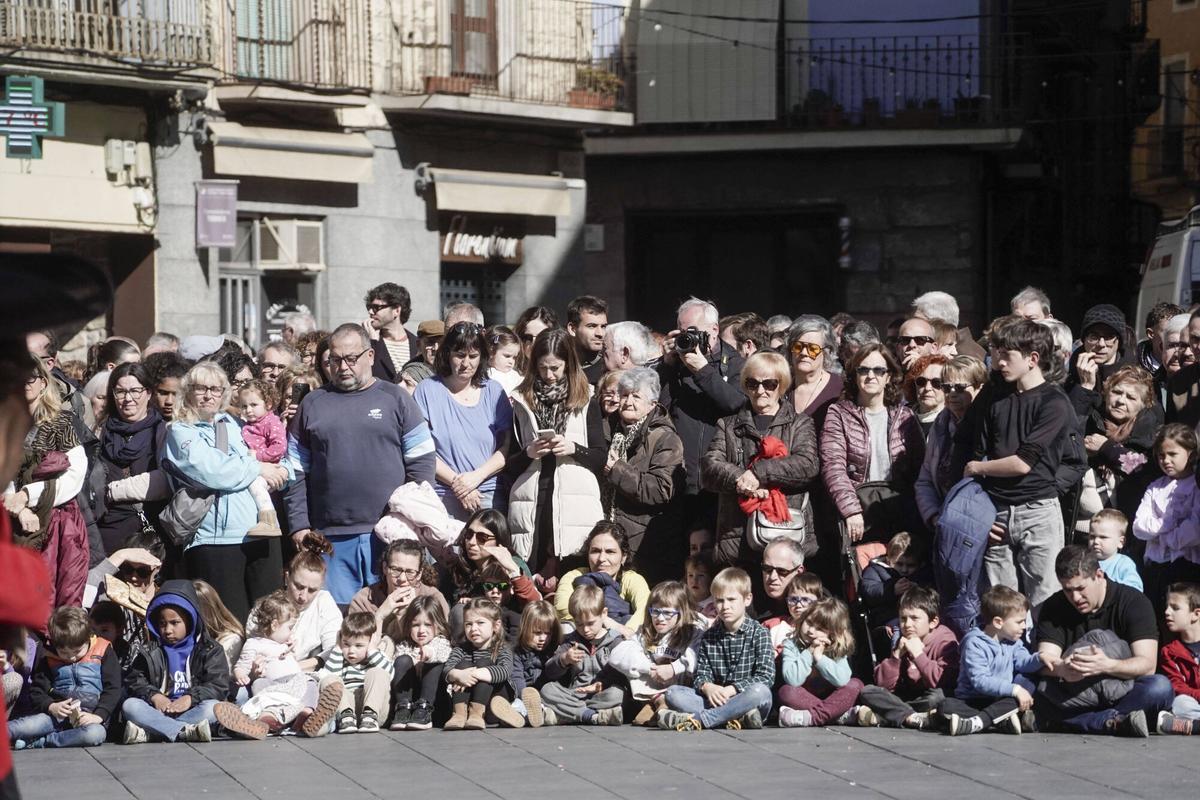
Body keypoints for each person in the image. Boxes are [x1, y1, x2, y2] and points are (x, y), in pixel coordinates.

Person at [286, 323, 435, 606]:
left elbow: (422, 464)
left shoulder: (396, 399)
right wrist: (299, 525)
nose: (342, 367)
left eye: (351, 358)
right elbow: (294, 470)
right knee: (339, 625)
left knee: (393, 617)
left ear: (370, 355)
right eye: (335, 359)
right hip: (329, 538)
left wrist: (410, 522)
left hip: (389, 533)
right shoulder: (313, 404)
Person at [160, 362, 288, 621]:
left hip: (262, 532)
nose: (209, 395)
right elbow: (213, 471)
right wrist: (259, 468)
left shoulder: (233, 423)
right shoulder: (179, 430)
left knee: (272, 623)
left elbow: (270, 453)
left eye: (216, 389)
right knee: (231, 625)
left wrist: (283, 472)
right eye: (201, 388)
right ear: (188, 391)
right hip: (217, 541)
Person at [964, 320, 1073, 611]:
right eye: (996, 353)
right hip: (996, 511)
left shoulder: (1055, 402)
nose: (998, 362)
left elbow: (1023, 463)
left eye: (1007, 355)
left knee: (1044, 603)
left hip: (1037, 512)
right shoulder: (994, 396)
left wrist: (977, 468)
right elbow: (977, 446)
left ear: (1032, 359)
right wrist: (981, 513)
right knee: (1000, 607)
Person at [1034, 546, 1172, 737]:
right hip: (1072, 692)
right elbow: (1044, 659)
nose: (1075, 597)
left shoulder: (1134, 602)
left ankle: (1071, 720)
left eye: (1081, 588)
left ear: (1099, 575)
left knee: (1159, 687)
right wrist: (1061, 668)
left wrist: (1106, 665)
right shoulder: (1054, 606)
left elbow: (1147, 665)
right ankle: (1112, 722)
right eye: (1068, 590)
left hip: (1121, 690)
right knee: (1023, 683)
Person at [703, 351, 820, 569]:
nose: (760, 390)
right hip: (736, 541)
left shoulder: (800, 424)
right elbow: (710, 467)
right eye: (752, 383)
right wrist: (742, 481)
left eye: (769, 384)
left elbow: (807, 464)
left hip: (786, 536)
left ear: (782, 385)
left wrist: (759, 473)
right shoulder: (728, 425)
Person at [506, 328, 605, 581]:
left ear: (568, 365)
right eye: (542, 368)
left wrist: (573, 448)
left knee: (571, 578)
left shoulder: (587, 398)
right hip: (532, 497)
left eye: (555, 368)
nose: (549, 375)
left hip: (574, 500)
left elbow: (599, 457)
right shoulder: (521, 399)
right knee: (531, 575)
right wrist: (530, 452)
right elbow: (510, 462)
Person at [6, 356, 89, 609]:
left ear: (43, 382)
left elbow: (75, 475)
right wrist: (19, 506)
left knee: (52, 599)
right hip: (10, 518)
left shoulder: (61, 422)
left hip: (57, 521)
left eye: (30, 377)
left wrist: (28, 496)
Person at [821, 344, 924, 543]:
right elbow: (833, 467)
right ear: (855, 375)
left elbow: (920, 469)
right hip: (858, 513)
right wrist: (851, 511)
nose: (871, 376)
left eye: (878, 370)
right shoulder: (838, 413)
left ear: (888, 377)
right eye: (863, 370)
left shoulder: (905, 416)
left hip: (898, 512)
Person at [656, 298, 747, 523]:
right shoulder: (674, 364)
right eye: (682, 332)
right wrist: (666, 365)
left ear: (714, 330)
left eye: (693, 331)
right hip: (677, 477)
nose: (688, 338)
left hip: (718, 481)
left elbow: (735, 405)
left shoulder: (736, 364)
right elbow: (659, 410)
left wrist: (703, 370)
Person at [657, 567, 774, 731]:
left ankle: (701, 720)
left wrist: (732, 690)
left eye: (731, 599)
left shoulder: (760, 633)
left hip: (745, 697)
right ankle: (735, 719)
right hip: (717, 699)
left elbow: (766, 676)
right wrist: (708, 687)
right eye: (719, 600)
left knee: (761, 692)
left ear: (747, 599)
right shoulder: (709, 636)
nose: (725, 606)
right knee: (673, 693)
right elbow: (701, 674)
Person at [414, 322, 511, 520]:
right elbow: (421, 449)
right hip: (443, 496)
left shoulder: (494, 391)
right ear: (447, 354)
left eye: (473, 356)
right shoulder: (427, 390)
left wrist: (476, 477)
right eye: (460, 355)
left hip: (488, 494)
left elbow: (507, 447)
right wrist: (460, 486)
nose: (466, 363)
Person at [602, 366, 684, 580]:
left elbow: (661, 489)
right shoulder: (610, 431)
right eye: (625, 395)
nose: (628, 401)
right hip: (608, 538)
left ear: (652, 405)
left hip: (644, 544)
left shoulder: (665, 438)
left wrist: (617, 469)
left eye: (636, 396)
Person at [121, 580, 227, 744]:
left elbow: (218, 684)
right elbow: (134, 680)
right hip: (158, 712)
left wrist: (189, 698)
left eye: (175, 623)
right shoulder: (150, 650)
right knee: (130, 706)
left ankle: (155, 732)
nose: (168, 630)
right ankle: (184, 732)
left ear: (190, 620)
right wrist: (154, 696)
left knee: (213, 707)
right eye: (162, 624)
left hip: (192, 709)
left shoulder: (210, 649)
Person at [6, 607, 119, 749]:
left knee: (95, 734)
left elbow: (113, 688)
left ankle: (42, 741)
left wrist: (99, 715)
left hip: (89, 719)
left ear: (88, 637)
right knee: (24, 725)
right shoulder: (48, 658)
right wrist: (51, 706)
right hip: (55, 717)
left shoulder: (103, 651)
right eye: (64, 653)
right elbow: (37, 691)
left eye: (77, 651)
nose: (71, 657)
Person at [940, 585, 1042, 736]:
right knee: (946, 706)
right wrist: (1015, 689)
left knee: (1027, 684)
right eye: (1019, 622)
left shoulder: (1013, 641)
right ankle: (995, 720)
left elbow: (1024, 662)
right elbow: (980, 681)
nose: (1024, 626)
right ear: (998, 622)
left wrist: (1041, 658)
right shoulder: (974, 643)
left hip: (999, 700)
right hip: (973, 700)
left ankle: (978, 722)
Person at [856, 586, 958, 729]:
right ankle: (911, 717)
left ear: (933, 622)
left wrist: (918, 655)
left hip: (930, 694)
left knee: (937, 698)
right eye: (903, 618)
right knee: (868, 691)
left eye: (914, 618)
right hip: (910, 697)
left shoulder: (945, 640)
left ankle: (890, 716)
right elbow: (884, 685)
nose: (907, 625)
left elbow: (940, 681)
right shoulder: (903, 640)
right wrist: (896, 657)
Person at [92, 363, 165, 556]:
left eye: (135, 390)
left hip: (149, 529)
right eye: (120, 391)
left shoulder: (161, 430)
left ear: (148, 393)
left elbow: (166, 480)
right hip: (108, 530)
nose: (128, 398)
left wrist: (114, 491)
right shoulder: (100, 430)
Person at [608, 580, 702, 726]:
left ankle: (663, 708)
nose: (660, 618)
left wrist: (673, 669)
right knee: (630, 656)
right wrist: (649, 668)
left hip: (680, 688)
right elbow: (617, 655)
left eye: (668, 613)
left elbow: (694, 655)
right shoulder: (644, 632)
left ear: (681, 613)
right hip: (651, 689)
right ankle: (659, 703)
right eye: (655, 611)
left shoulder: (691, 632)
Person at [1078, 365, 1159, 531]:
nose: (1121, 401)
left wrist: (1107, 448)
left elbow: (1145, 470)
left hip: (1130, 529)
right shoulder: (1089, 422)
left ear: (1144, 404)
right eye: (1116, 392)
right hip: (1085, 529)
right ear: (1106, 393)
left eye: (1131, 397)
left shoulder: (1153, 434)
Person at [1132, 423, 1200, 611]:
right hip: (1156, 564)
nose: (1166, 460)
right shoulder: (1155, 487)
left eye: (1173, 455)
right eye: (1161, 455)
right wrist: (1168, 523)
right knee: (1158, 612)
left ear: (1191, 455)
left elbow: (1194, 528)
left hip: (1187, 564)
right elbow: (1139, 526)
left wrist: (1166, 538)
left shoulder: (1196, 486)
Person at [915, 355, 986, 528]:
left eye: (960, 388)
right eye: (947, 388)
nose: (952, 394)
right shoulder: (941, 423)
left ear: (980, 388)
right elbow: (925, 479)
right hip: (943, 519)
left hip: (979, 522)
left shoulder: (988, 424)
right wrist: (933, 516)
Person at [539, 584, 625, 726]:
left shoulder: (615, 642)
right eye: (579, 624)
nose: (585, 629)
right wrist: (564, 660)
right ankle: (592, 716)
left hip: (601, 696)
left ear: (604, 614)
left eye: (590, 623)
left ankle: (566, 715)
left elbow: (622, 675)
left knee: (618, 693)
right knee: (547, 690)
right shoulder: (570, 642)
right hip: (574, 695)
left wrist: (601, 685)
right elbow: (549, 671)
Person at [445, 510, 536, 639]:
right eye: (469, 534)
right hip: (472, 636)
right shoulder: (459, 567)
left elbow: (535, 606)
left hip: (510, 633)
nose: (471, 542)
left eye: (482, 538)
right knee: (460, 610)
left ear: (499, 540)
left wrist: (513, 570)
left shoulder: (514, 564)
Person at [226, 591, 307, 736]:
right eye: (290, 628)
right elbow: (240, 667)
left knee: (311, 682)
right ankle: (267, 719)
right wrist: (241, 676)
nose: (291, 632)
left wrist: (291, 651)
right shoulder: (254, 644)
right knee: (259, 685)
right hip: (274, 687)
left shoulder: (283, 644)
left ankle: (306, 712)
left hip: (295, 683)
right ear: (275, 625)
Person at [776, 597, 860, 728]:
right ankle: (839, 716)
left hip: (833, 697)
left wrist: (820, 658)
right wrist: (809, 652)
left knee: (856, 685)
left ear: (833, 633)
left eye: (819, 628)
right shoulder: (791, 645)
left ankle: (812, 718)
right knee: (786, 691)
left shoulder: (835, 648)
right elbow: (792, 680)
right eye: (809, 622)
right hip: (805, 698)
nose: (811, 630)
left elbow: (842, 680)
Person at [554, 521, 650, 635]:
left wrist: (624, 631)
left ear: (623, 557)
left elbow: (645, 608)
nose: (601, 558)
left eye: (610, 552)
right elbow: (562, 608)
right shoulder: (575, 576)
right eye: (595, 551)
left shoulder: (631, 579)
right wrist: (601, 620)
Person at [349, 540, 450, 638]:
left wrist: (409, 614)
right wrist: (380, 615)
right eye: (396, 570)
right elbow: (354, 643)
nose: (402, 579)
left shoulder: (433, 597)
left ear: (419, 574)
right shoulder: (363, 600)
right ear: (385, 568)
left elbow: (444, 637)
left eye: (410, 572)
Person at [315, 612, 394, 735]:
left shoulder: (377, 657)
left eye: (359, 645)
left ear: (372, 641)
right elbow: (328, 676)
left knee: (378, 673)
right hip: (347, 706)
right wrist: (337, 647)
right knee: (328, 679)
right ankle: (345, 717)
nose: (351, 651)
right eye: (346, 644)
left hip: (376, 709)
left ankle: (370, 716)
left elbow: (390, 674)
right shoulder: (339, 658)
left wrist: (372, 650)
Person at [442, 598, 514, 730]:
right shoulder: (461, 649)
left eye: (480, 623)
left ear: (496, 626)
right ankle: (459, 714)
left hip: (495, 701)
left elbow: (505, 671)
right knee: (461, 666)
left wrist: (473, 673)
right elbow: (446, 669)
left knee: (484, 662)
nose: (473, 628)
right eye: (468, 624)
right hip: (467, 701)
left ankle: (478, 713)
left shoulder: (502, 649)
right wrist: (457, 674)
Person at [387, 596, 451, 732]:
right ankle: (403, 708)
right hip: (411, 695)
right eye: (416, 625)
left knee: (434, 662)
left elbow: (443, 654)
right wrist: (411, 663)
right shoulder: (405, 645)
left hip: (435, 700)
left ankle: (424, 709)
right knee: (403, 660)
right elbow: (396, 666)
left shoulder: (440, 642)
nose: (421, 630)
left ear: (438, 625)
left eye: (428, 625)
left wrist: (428, 655)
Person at [233, 379, 286, 537]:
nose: (248, 410)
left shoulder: (271, 422)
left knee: (256, 486)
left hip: (272, 468)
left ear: (268, 404)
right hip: (257, 468)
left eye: (254, 405)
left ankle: (269, 521)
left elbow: (279, 448)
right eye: (244, 406)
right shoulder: (248, 425)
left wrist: (257, 455)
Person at [499, 600, 561, 728]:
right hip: (526, 697)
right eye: (537, 633)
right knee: (517, 705)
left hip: (546, 696)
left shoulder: (554, 651)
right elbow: (517, 678)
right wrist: (525, 695)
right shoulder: (517, 652)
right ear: (526, 629)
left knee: (550, 701)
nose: (543, 638)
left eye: (547, 633)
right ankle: (516, 717)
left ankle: (535, 714)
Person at [1065, 303, 1134, 418]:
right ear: (1084, 340)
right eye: (1094, 337)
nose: (1101, 344)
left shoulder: (1136, 376)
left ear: (1118, 341)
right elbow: (1068, 425)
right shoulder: (1069, 376)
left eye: (1108, 337)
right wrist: (1085, 388)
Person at [785, 315, 843, 431]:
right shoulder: (780, 386)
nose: (804, 352)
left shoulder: (839, 389)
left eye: (812, 349)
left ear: (826, 352)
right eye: (798, 346)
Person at [860, 532, 930, 628]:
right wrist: (892, 589)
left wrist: (918, 589)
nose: (904, 570)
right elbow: (869, 592)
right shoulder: (875, 570)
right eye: (899, 564)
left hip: (919, 614)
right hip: (890, 616)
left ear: (920, 564)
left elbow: (932, 589)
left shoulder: (922, 573)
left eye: (911, 565)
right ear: (888, 560)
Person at [1157, 582, 1200, 734]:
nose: (1167, 612)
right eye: (1167, 607)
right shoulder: (1169, 651)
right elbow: (1177, 686)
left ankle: (1192, 727)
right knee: (1180, 704)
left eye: (1175, 608)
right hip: (1193, 704)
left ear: (1196, 614)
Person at [365, 282, 418, 383]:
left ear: (396, 311)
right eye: (369, 307)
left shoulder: (417, 345)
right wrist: (373, 342)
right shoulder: (369, 342)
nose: (371, 312)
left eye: (376, 307)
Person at [1087, 510, 1142, 592]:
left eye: (1103, 537)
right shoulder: (1084, 561)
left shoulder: (1123, 564)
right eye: (1092, 537)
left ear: (1120, 542)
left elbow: (1135, 589)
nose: (1096, 541)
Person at [902, 354, 948, 439]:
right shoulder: (900, 418)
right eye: (921, 381)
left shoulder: (953, 424)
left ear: (947, 387)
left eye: (936, 383)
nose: (927, 388)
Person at [566, 295, 608, 384]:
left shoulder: (609, 367)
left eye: (603, 326)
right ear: (572, 329)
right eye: (591, 326)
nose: (600, 334)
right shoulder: (558, 364)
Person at [1138, 301, 1185, 374]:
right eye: (1168, 332)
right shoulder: (1133, 368)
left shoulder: (1192, 368)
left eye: (1181, 332)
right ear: (1150, 334)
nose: (1176, 339)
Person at [512, 306, 558, 376]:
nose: (534, 343)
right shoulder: (508, 374)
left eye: (541, 336)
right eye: (528, 337)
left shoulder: (564, 372)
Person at [485, 326, 522, 395]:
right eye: (507, 356)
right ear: (491, 351)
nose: (511, 361)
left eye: (514, 357)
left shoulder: (514, 375)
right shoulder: (486, 375)